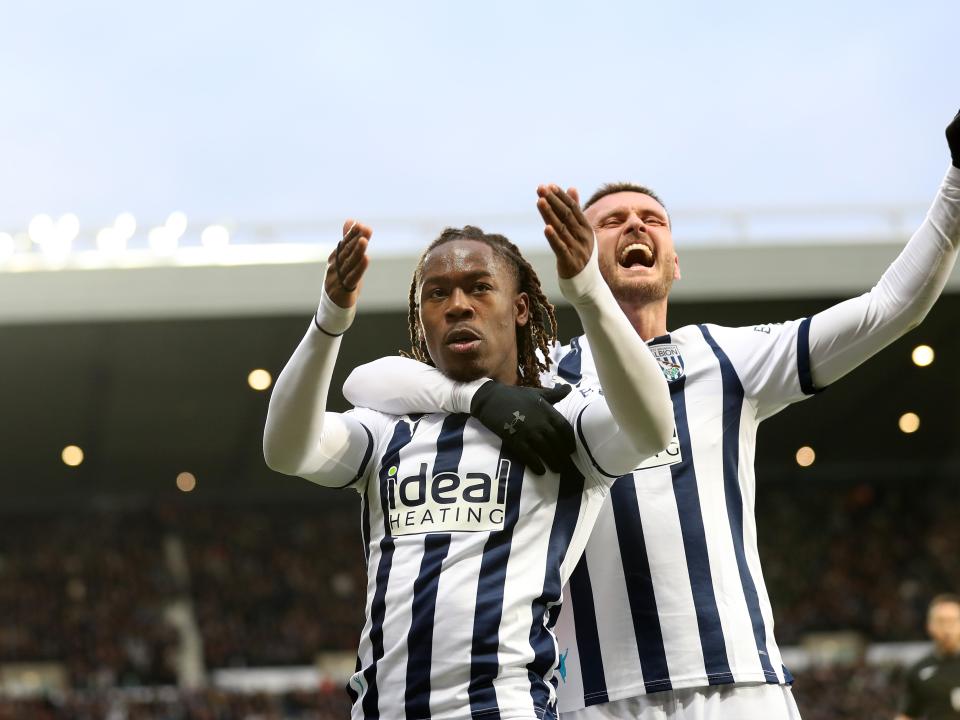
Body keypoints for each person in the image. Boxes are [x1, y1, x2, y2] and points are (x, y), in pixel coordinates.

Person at [342, 109, 960, 719]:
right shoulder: (546, 374)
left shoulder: (730, 356)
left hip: (739, 687)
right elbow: (371, 380)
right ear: (575, 252)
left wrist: (957, 182)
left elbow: (890, 309)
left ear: (673, 260)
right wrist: (474, 396)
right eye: (611, 220)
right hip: (594, 697)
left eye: (652, 219)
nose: (635, 224)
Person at [262, 203, 674, 720]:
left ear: (521, 308)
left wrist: (589, 290)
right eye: (437, 294)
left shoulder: (561, 420)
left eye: (480, 287)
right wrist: (330, 319)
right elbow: (285, 449)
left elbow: (653, 427)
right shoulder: (390, 429)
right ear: (421, 318)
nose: (458, 305)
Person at [896, 594, 960, 720]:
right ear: (930, 625)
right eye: (941, 621)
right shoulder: (918, 671)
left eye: (953, 621)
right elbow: (908, 715)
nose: (947, 628)